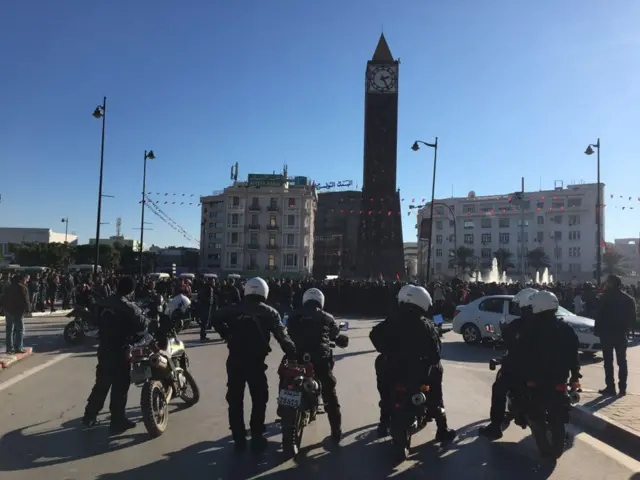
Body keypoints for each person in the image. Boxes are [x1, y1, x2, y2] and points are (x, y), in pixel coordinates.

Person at [211, 277, 296, 452]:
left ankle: (238, 437)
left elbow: (215, 317)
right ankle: (257, 434)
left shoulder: (234, 309)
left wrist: (227, 334)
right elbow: (282, 336)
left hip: (235, 359)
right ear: (264, 291)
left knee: (235, 399)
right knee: (259, 398)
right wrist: (293, 351)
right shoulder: (270, 312)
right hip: (256, 362)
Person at [370, 284, 456, 443]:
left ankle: (383, 422)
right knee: (437, 375)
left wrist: (387, 350)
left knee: (383, 376)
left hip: (394, 369)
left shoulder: (393, 318)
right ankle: (442, 427)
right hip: (419, 371)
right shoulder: (427, 323)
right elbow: (436, 353)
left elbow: (374, 335)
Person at [83, 276, 149, 433]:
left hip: (104, 347)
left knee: (102, 383)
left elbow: (95, 320)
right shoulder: (128, 306)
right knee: (120, 386)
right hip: (120, 349)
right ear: (130, 290)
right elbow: (143, 323)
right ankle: (117, 420)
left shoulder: (105, 302)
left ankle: (89, 416)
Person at [479, 287, 538, 440]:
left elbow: (508, 340)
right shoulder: (551, 324)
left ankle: (495, 427)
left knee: (498, 389)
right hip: (546, 370)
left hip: (519, 370)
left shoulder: (518, 324)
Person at [285, 287, 343, 442]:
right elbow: (335, 333)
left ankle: (285, 404)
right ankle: (336, 431)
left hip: (296, 358)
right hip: (319, 358)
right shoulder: (327, 317)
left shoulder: (293, 315)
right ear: (321, 301)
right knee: (329, 393)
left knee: (286, 380)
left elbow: (286, 331)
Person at [520, 290, 581, 394]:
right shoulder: (566, 328)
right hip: (560, 378)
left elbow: (521, 351)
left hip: (535, 379)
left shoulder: (530, 328)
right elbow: (574, 353)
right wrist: (575, 375)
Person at [595, 275, 636, 396]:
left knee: (608, 361)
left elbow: (599, 315)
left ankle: (610, 387)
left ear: (611, 284)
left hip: (607, 333)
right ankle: (622, 388)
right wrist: (627, 330)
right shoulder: (629, 299)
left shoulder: (604, 298)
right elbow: (632, 318)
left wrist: (597, 330)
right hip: (621, 333)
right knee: (622, 361)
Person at [2, 273, 31, 354]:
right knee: (20, 329)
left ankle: (9, 348)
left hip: (7, 310)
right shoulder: (22, 288)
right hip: (17, 311)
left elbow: (3, 298)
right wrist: (28, 309)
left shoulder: (7, 287)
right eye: (25, 279)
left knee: (9, 330)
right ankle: (18, 347)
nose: (26, 281)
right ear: (21, 280)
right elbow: (26, 300)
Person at [199, 276, 216, 342]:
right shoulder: (207, 287)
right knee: (204, 321)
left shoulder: (207, 287)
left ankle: (203, 335)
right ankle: (203, 336)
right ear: (210, 281)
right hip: (206, 306)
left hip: (207, 306)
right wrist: (208, 301)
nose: (214, 283)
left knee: (205, 321)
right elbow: (204, 297)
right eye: (213, 281)